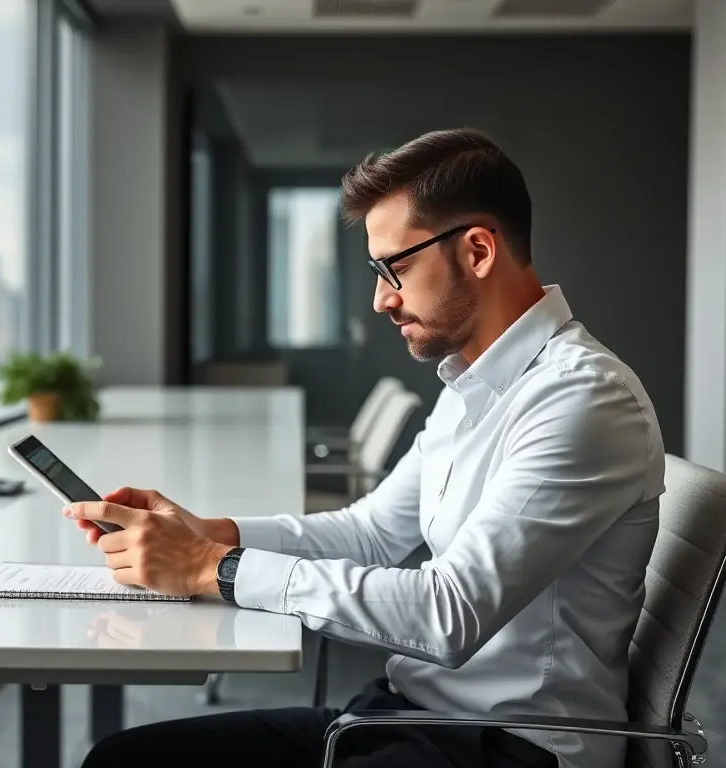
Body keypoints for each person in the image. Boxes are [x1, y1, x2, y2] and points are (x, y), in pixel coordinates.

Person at [66, 128, 663, 768]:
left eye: (394, 268)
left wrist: (216, 567)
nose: (380, 299)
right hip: (410, 713)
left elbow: (450, 613)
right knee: (121, 759)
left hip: (510, 746)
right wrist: (210, 534)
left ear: (478, 251)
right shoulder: (472, 384)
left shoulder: (581, 399)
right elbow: (371, 532)